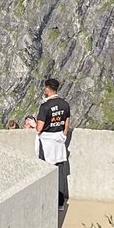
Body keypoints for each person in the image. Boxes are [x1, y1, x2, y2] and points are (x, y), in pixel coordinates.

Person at [36, 79, 71, 209]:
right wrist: (64, 134)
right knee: (60, 172)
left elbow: (39, 127)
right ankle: (60, 203)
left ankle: (47, 201)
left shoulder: (45, 106)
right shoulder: (65, 104)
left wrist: (35, 126)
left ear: (48, 88)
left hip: (47, 142)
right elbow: (67, 121)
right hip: (59, 141)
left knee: (45, 171)